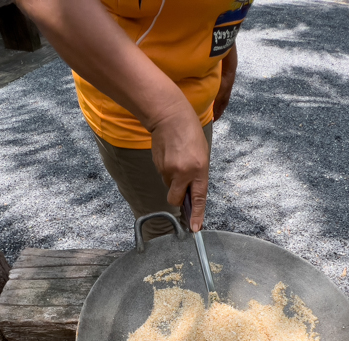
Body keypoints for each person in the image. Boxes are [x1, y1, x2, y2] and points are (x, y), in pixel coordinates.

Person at [15, 0, 253, 239]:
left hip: (198, 99)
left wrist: (226, 55)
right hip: (132, 110)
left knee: (190, 211)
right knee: (163, 228)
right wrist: (166, 114)